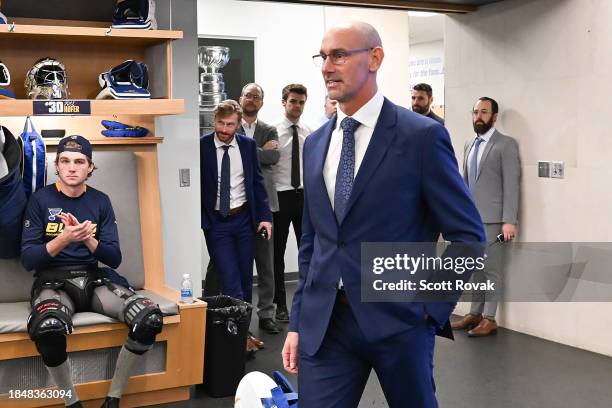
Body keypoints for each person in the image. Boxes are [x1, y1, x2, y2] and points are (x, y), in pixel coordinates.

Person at [281, 22, 485, 407]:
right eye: (322, 57)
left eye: (339, 55)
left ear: (375, 58)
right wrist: (297, 322)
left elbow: (468, 235)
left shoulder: (420, 137)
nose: (327, 66)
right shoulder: (316, 144)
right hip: (327, 326)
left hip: (400, 323)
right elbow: (313, 240)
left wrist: (428, 309)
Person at [21, 135, 163, 408]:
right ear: (57, 166)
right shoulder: (40, 200)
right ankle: (71, 401)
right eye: (65, 161)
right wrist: (64, 238)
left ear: (90, 167)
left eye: (79, 161)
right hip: (54, 282)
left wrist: (87, 238)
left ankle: (113, 398)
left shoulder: (101, 201)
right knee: (48, 328)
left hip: (95, 278)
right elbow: (28, 260)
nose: (72, 167)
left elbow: (114, 258)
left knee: (148, 319)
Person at [452, 97, 520, 337]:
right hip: (470, 220)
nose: (478, 116)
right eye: (475, 112)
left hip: (493, 220)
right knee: (475, 269)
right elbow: (463, 183)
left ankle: (490, 319)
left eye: (483, 112)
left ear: (494, 116)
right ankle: (475, 313)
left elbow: (511, 184)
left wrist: (509, 220)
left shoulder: (505, 144)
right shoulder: (469, 143)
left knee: (492, 270)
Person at [200, 99, 272, 318]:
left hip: (243, 220)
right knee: (231, 283)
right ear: (214, 121)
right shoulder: (201, 146)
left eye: (230, 124)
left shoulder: (248, 146)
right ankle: (235, 339)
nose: (224, 129)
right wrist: (204, 222)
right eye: (220, 123)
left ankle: (243, 336)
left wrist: (265, 217)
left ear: (239, 124)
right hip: (217, 223)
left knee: (245, 281)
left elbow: (258, 184)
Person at [238, 83, 283, 335]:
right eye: (248, 96)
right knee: (241, 262)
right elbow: (261, 157)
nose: (251, 100)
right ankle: (241, 312)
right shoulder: (231, 125)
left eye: (256, 97)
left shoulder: (269, 129)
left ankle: (267, 313)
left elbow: (273, 158)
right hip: (239, 206)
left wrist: (244, 150)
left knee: (266, 264)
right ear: (240, 98)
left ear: (262, 103)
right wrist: (258, 152)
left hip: (265, 206)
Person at [273, 84, 312, 323]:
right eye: (293, 101)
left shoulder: (310, 131)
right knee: (276, 254)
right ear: (284, 102)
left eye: (301, 102)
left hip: (304, 196)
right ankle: (280, 305)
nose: (297, 106)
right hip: (279, 197)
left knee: (307, 252)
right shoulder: (273, 131)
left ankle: (307, 301)